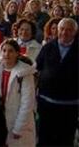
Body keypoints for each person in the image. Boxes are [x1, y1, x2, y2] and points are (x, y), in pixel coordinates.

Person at [36, 18, 78, 146]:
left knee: (65, 139)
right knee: (44, 137)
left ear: (75, 32)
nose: (64, 32)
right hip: (46, 103)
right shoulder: (48, 47)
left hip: (70, 105)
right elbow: (38, 67)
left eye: (69, 30)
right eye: (62, 29)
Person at [0, 39, 36, 146]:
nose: (6, 54)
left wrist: (19, 127)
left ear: (17, 53)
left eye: (11, 51)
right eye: (4, 50)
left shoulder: (25, 73)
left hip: (16, 120)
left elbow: (27, 103)